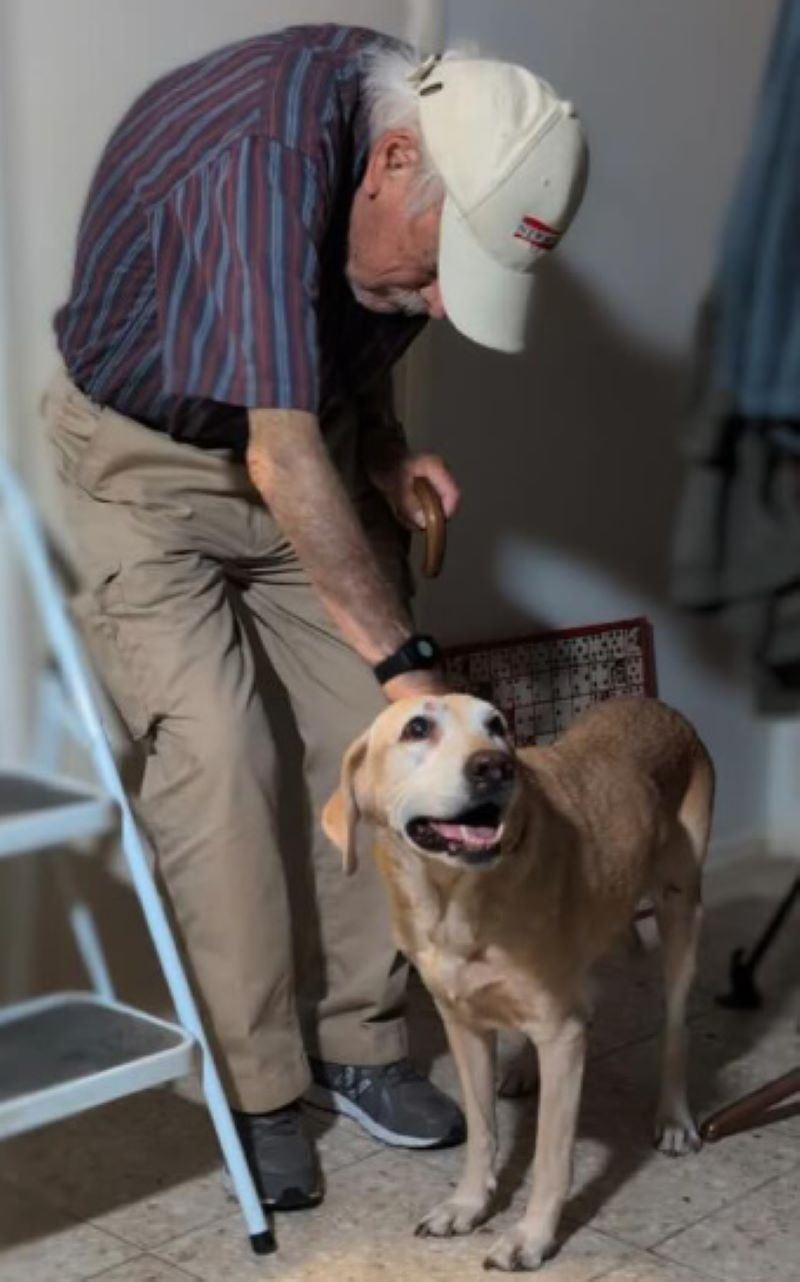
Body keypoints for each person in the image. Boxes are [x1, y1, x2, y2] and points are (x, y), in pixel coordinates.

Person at [44, 23, 587, 1210]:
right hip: (153, 469)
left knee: (372, 742)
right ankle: (257, 1087)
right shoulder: (255, 154)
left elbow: (344, 327)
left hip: (313, 452)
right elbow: (277, 452)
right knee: (223, 757)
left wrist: (384, 453)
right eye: (445, 266)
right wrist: (408, 670)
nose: (441, 306)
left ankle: (359, 1045)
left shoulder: (413, 129)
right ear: (394, 164)